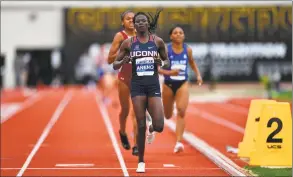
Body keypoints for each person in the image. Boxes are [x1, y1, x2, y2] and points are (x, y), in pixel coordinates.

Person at [113, 9, 169, 173]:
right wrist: (123, 60)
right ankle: (141, 161)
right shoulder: (128, 43)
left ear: (148, 23)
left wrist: (161, 62)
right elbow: (115, 64)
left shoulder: (157, 41)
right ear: (135, 26)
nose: (140, 23)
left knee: (159, 125)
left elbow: (166, 60)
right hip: (137, 86)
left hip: (152, 85)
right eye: (137, 22)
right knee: (140, 122)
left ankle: (153, 129)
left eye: (143, 21)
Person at [107, 10, 154, 156]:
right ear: (123, 22)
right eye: (128, 19)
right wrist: (125, 52)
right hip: (124, 78)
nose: (131, 21)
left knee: (137, 112)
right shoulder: (120, 36)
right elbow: (110, 59)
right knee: (125, 110)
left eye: (133, 19)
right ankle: (122, 131)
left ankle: (136, 145)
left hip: (140, 78)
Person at [159, 26, 203, 153]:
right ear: (171, 36)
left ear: (184, 36)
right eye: (175, 33)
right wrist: (170, 72)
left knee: (182, 111)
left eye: (181, 33)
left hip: (182, 83)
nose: (178, 35)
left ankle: (178, 142)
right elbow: (157, 68)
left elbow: (192, 62)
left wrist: (198, 75)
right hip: (168, 84)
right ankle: (169, 108)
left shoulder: (187, 50)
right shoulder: (165, 50)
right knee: (167, 115)